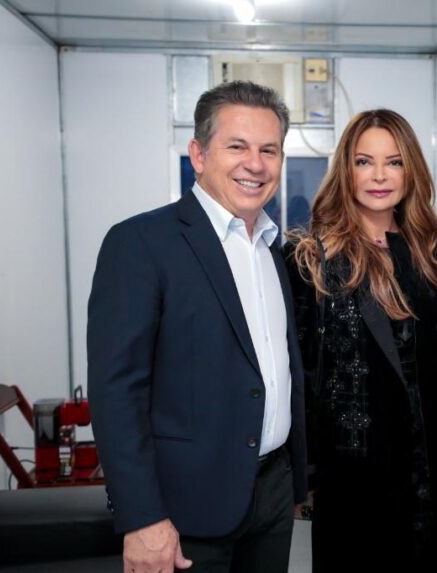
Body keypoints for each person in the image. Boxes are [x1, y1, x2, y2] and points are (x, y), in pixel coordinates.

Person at [87, 80, 307, 573]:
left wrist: (297, 480)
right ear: (199, 154)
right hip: (183, 509)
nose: (255, 164)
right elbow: (116, 391)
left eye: (269, 150)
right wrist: (141, 517)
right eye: (237, 146)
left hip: (273, 496)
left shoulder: (274, 249)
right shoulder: (141, 243)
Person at [285, 109, 437, 572]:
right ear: (345, 170)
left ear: (411, 170)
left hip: (431, 479)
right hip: (354, 483)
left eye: (394, 162)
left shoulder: (430, 254)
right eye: (364, 161)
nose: (380, 175)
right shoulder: (311, 258)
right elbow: (297, 375)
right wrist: (304, 476)